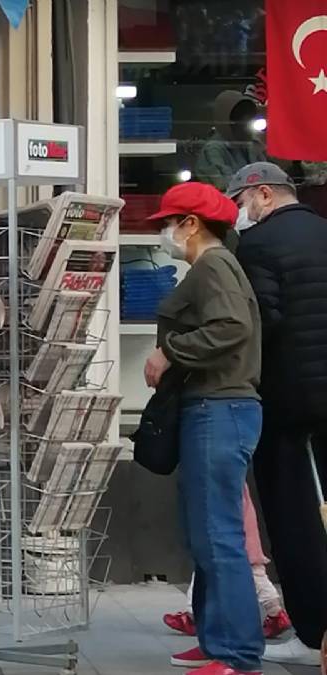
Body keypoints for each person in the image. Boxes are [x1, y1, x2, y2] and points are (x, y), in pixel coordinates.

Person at [144, 181, 264, 675]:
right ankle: (219, 641)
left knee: (218, 535)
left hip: (219, 407)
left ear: (191, 224)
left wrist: (171, 351)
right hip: (212, 406)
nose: (167, 232)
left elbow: (231, 326)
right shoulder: (213, 266)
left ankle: (236, 653)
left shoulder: (214, 265)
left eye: (170, 222)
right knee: (206, 534)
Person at [227, 162, 327, 667]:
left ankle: (314, 631)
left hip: (289, 402)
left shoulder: (260, 246)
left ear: (263, 194)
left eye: (242, 202)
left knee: (295, 519)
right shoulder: (323, 232)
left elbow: (261, 320)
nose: (241, 214)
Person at [162, 484, 291, 640]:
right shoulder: (236, 479)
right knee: (256, 573)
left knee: (206, 570)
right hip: (244, 533)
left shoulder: (221, 480)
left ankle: (193, 616)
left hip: (232, 534)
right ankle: (276, 613)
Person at [195, 91, 267, 190]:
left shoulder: (252, 144)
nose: (245, 122)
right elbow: (224, 185)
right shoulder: (214, 148)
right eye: (240, 117)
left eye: (248, 117)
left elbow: (267, 174)